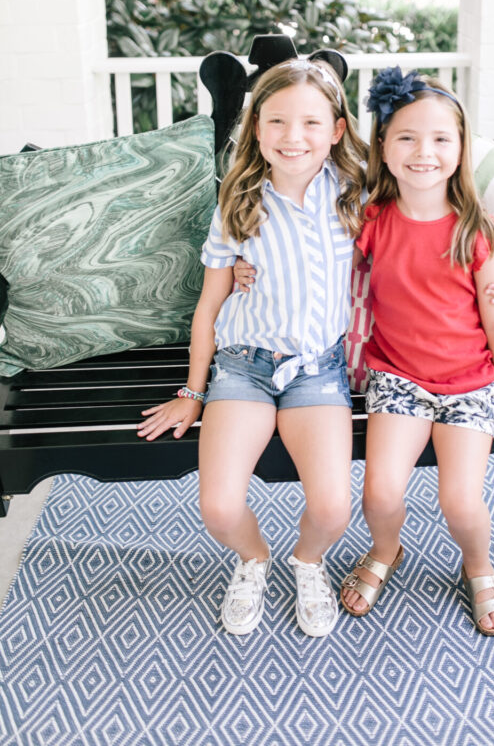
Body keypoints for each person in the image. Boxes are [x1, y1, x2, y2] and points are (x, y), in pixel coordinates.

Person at [137, 58, 367, 638]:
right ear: (257, 128)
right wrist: (192, 391)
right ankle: (254, 558)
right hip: (244, 368)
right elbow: (209, 306)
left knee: (333, 509)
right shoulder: (239, 201)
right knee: (217, 507)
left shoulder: (355, 195)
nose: (294, 137)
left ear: (336, 130)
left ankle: (307, 562)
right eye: (277, 121)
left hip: (318, 371)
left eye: (311, 123)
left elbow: (427, 211)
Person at [339, 67, 494, 636]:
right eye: (407, 137)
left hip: (470, 385)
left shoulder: (477, 232)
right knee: (378, 494)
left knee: (461, 503)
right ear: (383, 146)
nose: (424, 152)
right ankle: (386, 549)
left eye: (441, 138)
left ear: (462, 148)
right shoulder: (370, 219)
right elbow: (317, 265)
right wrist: (245, 267)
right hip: (398, 378)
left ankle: (479, 565)